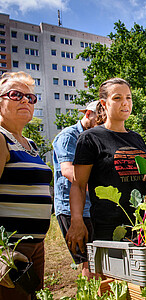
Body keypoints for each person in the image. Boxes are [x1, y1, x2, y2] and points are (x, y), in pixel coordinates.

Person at [65, 78, 146, 255]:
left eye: (128, 98)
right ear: (104, 103)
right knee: (115, 280)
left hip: (145, 224)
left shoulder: (136, 138)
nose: (125, 103)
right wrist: (77, 220)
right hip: (110, 227)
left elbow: (145, 175)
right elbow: (78, 185)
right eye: (117, 98)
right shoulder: (91, 138)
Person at [0, 72, 52, 299]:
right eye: (15, 94)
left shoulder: (28, 144)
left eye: (31, 98)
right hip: (10, 249)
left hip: (34, 247)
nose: (25, 100)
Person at [52, 100, 98, 277]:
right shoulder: (68, 136)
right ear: (87, 114)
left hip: (92, 207)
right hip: (72, 208)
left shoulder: (95, 136)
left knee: (98, 259)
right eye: (98, 118)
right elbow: (68, 171)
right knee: (89, 262)